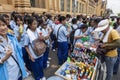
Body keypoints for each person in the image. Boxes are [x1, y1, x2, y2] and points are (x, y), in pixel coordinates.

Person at [0, 16, 27, 80]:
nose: (2, 28)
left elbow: (19, 54)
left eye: (3, 25)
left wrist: (23, 65)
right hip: (8, 76)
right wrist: (4, 59)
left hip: (18, 72)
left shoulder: (12, 38)